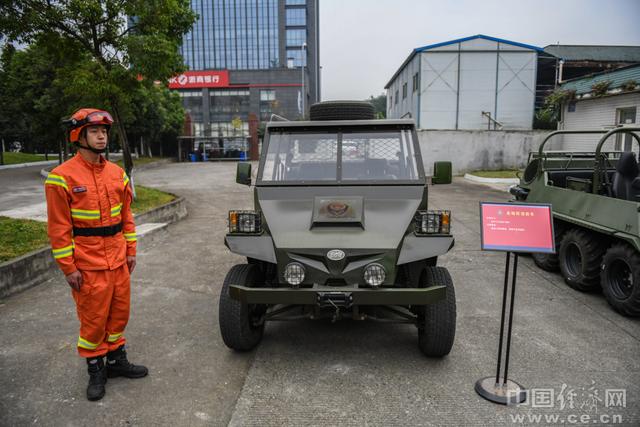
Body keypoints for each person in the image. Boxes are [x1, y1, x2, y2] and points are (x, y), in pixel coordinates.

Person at [45, 108, 147, 401]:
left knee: (119, 314)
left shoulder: (117, 174)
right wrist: (68, 268)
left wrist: (131, 251)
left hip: (118, 261)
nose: (102, 136)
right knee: (93, 320)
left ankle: (116, 361)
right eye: (94, 131)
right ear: (78, 135)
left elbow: (126, 217)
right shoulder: (60, 178)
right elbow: (59, 229)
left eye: (104, 131)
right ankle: (96, 370)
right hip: (87, 265)